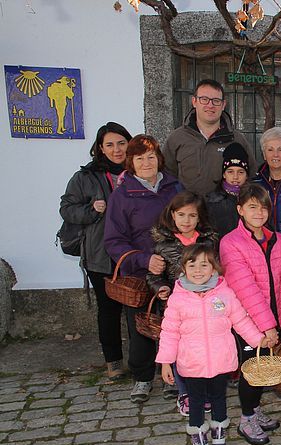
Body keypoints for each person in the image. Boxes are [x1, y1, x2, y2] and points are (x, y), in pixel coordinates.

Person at [156, 243, 266, 445]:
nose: (198, 270)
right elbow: (169, 331)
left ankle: (218, 437)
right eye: (192, 264)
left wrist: (258, 341)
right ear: (183, 269)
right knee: (195, 401)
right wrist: (166, 361)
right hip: (191, 363)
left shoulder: (224, 293)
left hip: (221, 360)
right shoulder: (178, 299)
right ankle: (199, 439)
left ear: (214, 269)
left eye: (204, 264)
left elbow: (241, 319)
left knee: (219, 398)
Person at [104, 134, 181, 403]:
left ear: (159, 159)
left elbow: (188, 223)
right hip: (139, 273)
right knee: (142, 327)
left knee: (175, 325)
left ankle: (173, 376)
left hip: (173, 272)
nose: (146, 162)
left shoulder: (174, 188)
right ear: (131, 162)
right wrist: (143, 260)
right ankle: (143, 377)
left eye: (151, 157)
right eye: (140, 158)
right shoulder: (122, 196)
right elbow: (113, 241)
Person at [220, 183, 281, 445]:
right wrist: (267, 327)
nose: (259, 212)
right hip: (246, 321)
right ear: (240, 209)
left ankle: (254, 410)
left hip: (272, 318)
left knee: (263, 366)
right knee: (251, 369)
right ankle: (246, 419)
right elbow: (246, 289)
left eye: (264, 207)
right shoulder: (231, 243)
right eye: (252, 207)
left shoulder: (279, 241)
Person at [59, 122, 131, 381]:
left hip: (133, 253)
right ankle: (114, 362)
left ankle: (143, 362)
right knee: (109, 309)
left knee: (137, 308)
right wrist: (92, 210)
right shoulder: (85, 177)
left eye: (121, 143)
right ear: (100, 148)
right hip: (100, 254)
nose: (116, 149)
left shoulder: (141, 170)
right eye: (110, 144)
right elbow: (66, 208)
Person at [147, 191, 217, 412]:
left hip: (205, 306)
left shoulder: (208, 241)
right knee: (179, 350)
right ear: (172, 215)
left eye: (192, 216)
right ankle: (184, 391)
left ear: (199, 218)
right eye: (181, 215)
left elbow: (219, 270)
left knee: (203, 348)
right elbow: (153, 275)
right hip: (176, 307)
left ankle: (203, 389)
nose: (186, 221)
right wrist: (161, 288)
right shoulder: (163, 245)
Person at [163, 79, 256, 195]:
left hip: (226, 210)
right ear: (194, 101)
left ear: (223, 105)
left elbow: (251, 176)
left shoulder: (237, 140)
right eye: (204, 99)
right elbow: (166, 177)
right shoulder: (177, 138)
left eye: (216, 101)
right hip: (189, 211)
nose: (210, 105)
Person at [206, 142, 251, 237]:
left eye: (240, 172)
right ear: (224, 174)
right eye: (230, 172)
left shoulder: (254, 198)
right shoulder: (212, 201)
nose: (235, 177)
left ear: (246, 175)